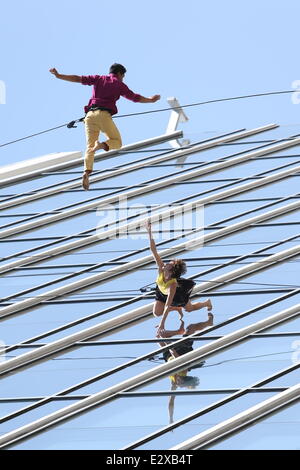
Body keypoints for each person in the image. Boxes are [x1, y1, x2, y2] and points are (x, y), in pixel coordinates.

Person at [49, 64, 160, 190]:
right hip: (104, 115)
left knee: (89, 147)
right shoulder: (119, 84)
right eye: (123, 76)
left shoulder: (98, 79)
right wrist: (150, 100)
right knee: (117, 142)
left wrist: (59, 76)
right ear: (119, 74)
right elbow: (134, 98)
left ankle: (86, 172)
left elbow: (77, 78)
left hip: (89, 117)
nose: (123, 79)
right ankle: (101, 145)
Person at [146, 219, 212, 336]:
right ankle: (177, 309)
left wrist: (162, 324)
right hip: (161, 291)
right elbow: (153, 250)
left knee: (189, 309)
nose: (166, 264)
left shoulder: (173, 285)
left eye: (169, 264)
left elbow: (167, 305)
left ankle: (206, 303)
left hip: (177, 295)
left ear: (171, 271)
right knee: (156, 313)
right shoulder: (161, 268)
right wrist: (149, 232)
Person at [156, 312, 213, 424]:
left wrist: (171, 418)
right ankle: (208, 323)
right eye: (180, 382)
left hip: (168, 355)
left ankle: (179, 331)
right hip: (181, 351)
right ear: (183, 379)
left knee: (157, 336)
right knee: (190, 328)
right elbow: (174, 352)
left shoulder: (174, 383)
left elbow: (171, 401)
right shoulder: (183, 371)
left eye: (178, 383)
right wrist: (165, 340)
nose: (177, 382)